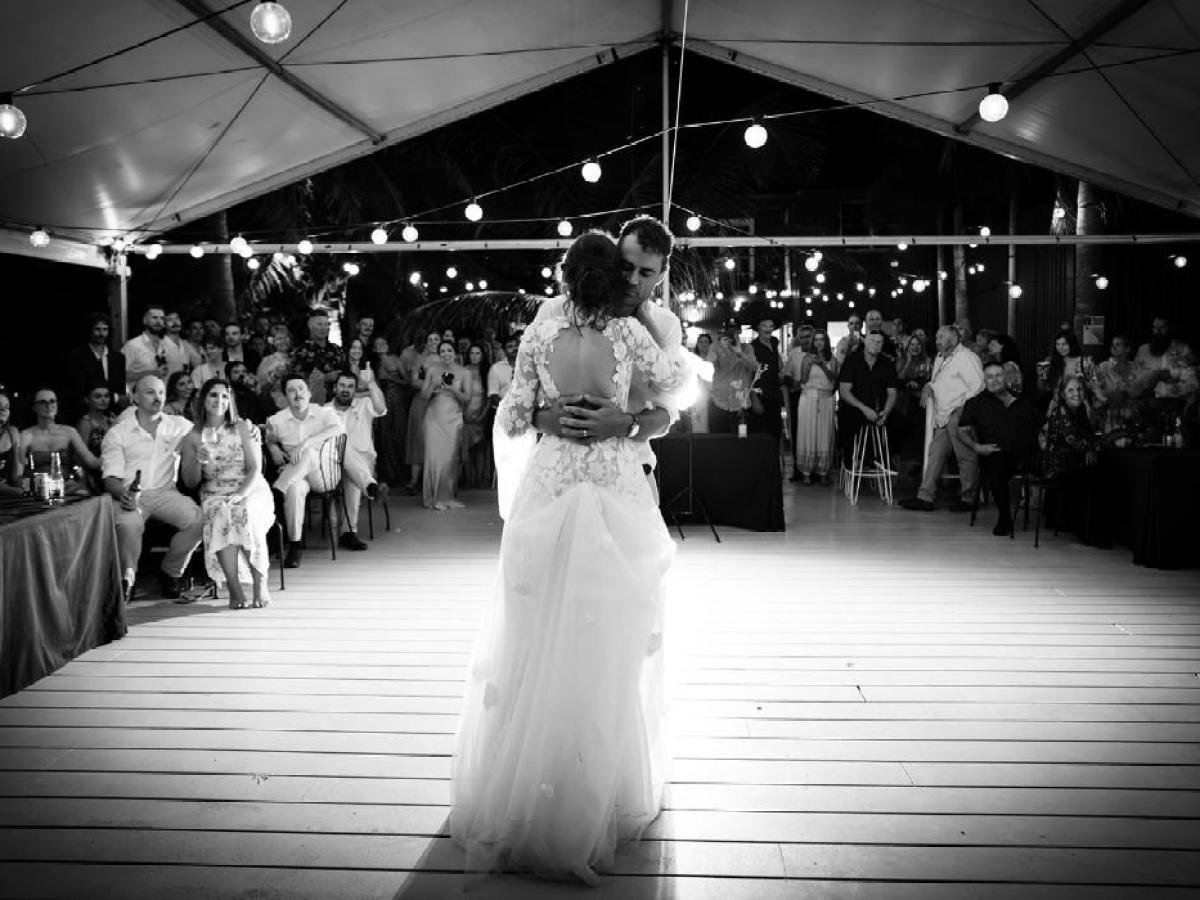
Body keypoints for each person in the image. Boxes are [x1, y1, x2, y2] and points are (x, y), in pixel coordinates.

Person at [449, 229, 683, 884]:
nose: (637, 282)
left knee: (589, 632)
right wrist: (564, 417)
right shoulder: (624, 331)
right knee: (566, 630)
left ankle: (548, 792)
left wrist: (620, 421)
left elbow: (514, 413)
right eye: (627, 272)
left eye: (646, 273)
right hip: (602, 487)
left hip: (557, 484)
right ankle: (573, 805)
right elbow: (680, 380)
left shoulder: (550, 332)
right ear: (613, 274)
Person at [100, 375, 204, 601]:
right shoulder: (118, 432)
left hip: (165, 492)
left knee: (200, 521)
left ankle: (170, 571)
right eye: (150, 392)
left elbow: (212, 434)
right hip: (128, 494)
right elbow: (110, 479)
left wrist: (249, 430)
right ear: (135, 397)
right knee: (129, 525)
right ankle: (127, 581)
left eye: (161, 392)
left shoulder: (178, 426)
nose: (157, 398)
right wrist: (124, 495)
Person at [179, 378, 274, 609]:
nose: (219, 400)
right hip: (215, 491)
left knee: (244, 511)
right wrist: (196, 460)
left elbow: (255, 468)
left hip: (250, 487)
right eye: (213, 395)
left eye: (223, 396)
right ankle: (234, 586)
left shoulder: (242, 427)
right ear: (203, 399)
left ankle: (260, 580)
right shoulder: (193, 437)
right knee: (220, 512)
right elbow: (190, 481)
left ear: (229, 400)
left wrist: (242, 493)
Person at [264, 374, 346, 568]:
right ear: (285, 397)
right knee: (294, 489)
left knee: (308, 452)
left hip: (324, 475)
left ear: (309, 393)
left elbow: (339, 429)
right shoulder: (277, 420)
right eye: (291, 390)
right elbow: (270, 438)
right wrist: (274, 448)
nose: (297, 393)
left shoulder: (324, 412)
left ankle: (277, 490)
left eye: (301, 388)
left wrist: (308, 442)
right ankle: (295, 545)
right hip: (297, 475)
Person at [900, 325, 984, 512]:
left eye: (941, 337)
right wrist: (928, 386)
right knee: (935, 454)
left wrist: (963, 412)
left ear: (954, 340)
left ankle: (969, 499)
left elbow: (978, 387)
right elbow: (938, 380)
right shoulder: (939, 357)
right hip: (943, 414)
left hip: (959, 413)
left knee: (965, 456)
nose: (937, 340)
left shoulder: (966, 357)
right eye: (936, 336)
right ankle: (925, 497)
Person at [957, 362, 1039, 535]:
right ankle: (1004, 516)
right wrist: (976, 447)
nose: (994, 380)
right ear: (984, 380)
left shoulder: (1023, 400)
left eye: (998, 375)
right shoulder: (976, 403)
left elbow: (1040, 426)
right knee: (995, 461)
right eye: (989, 377)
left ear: (1006, 377)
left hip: (1026, 454)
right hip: (996, 455)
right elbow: (962, 430)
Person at [328, 368, 387, 549]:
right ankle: (370, 487)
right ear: (335, 388)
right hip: (332, 465)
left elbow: (381, 408)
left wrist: (370, 383)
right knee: (343, 449)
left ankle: (349, 531)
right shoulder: (324, 411)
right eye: (342, 386)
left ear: (355, 390)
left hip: (363, 461)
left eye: (351, 387)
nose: (346, 390)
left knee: (352, 477)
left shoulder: (364, 404)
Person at [836, 331, 898, 469]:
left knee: (903, 424)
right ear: (864, 342)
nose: (875, 345)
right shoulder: (851, 361)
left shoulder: (887, 363)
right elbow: (844, 391)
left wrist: (886, 412)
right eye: (871, 341)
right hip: (855, 407)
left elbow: (892, 393)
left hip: (879, 408)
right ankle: (852, 458)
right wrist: (864, 409)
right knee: (848, 419)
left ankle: (883, 457)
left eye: (879, 342)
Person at [422, 340, 469, 510]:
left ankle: (446, 496)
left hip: (453, 418)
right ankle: (433, 499)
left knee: (449, 459)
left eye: (449, 350)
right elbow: (424, 396)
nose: (446, 353)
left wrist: (451, 389)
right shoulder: (432, 370)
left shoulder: (464, 372)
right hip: (433, 417)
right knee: (434, 458)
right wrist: (433, 386)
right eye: (442, 351)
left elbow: (467, 398)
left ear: (455, 353)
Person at [20, 386, 101, 478]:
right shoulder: (26, 435)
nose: (48, 405)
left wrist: (117, 456)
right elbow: (20, 470)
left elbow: (92, 462)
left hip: (67, 485)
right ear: (34, 407)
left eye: (52, 401)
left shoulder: (69, 432)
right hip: (38, 486)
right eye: (43, 402)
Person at [791, 330, 838, 484]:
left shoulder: (833, 359)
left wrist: (823, 365)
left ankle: (823, 471)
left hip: (826, 398)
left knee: (825, 433)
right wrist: (809, 365)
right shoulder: (806, 358)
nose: (819, 342)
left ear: (826, 342)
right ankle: (806, 471)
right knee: (808, 432)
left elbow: (834, 379)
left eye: (822, 339)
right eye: (816, 339)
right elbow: (802, 381)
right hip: (808, 397)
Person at [403, 331, 442, 494]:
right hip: (422, 400)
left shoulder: (447, 358)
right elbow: (413, 381)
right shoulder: (419, 359)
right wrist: (431, 385)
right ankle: (414, 481)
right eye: (430, 339)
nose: (433, 342)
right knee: (418, 438)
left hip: (441, 402)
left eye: (436, 339)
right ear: (426, 342)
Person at [67, 312, 126, 417]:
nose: (101, 334)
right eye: (97, 329)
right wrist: (115, 398)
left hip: (113, 413)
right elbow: (79, 388)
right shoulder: (77, 356)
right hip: (86, 413)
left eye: (105, 329)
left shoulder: (118, 357)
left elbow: (120, 388)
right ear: (90, 330)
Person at [1091, 334, 1149, 434]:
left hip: (1131, 416)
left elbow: (1142, 391)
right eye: (1112, 344)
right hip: (1108, 415)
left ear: (1127, 349)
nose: (1114, 347)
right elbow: (1096, 389)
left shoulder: (1136, 367)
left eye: (1118, 344)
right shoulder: (1103, 367)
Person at [373, 335, 410, 486]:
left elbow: (407, 381)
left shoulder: (396, 360)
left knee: (399, 435)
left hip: (396, 401)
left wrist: (390, 377)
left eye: (384, 343)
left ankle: (403, 475)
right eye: (378, 344)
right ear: (374, 349)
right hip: (382, 403)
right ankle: (389, 474)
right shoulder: (374, 364)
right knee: (385, 438)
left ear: (388, 346)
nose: (381, 345)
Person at [894, 334, 933, 473]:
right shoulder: (901, 360)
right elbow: (898, 379)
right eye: (912, 344)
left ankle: (919, 463)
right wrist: (908, 361)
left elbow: (930, 379)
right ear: (908, 346)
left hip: (921, 401)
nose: (915, 347)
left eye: (918, 344)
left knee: (920, 432)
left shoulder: (928, 361)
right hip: (904, 402)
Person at [459, 343, 491, 488]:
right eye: (472, 353)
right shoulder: (463, 370)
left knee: (480, 446)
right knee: (466, 446)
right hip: (465, 413)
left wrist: (482, 415)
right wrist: (464, 414)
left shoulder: (487, 372)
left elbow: (490, 397)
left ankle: (480, 478)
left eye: (478, 353)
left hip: (481, 413)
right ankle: (468, 479)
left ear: (482, 355)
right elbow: (459, 394)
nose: (474, 356)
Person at [121, 305, 170, 394]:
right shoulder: (132, 345)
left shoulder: (166, 345)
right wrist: (151, 373)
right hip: (137, 400)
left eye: (162, 318)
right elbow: (120, 374)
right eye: (154, 318)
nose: (159, 321)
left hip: (161, 398)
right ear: (145, 320)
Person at [0, 388, 23, 496]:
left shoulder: (11, 433)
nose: (3, 410)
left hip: (8, 492)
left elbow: (15, 477)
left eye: (6, 407)